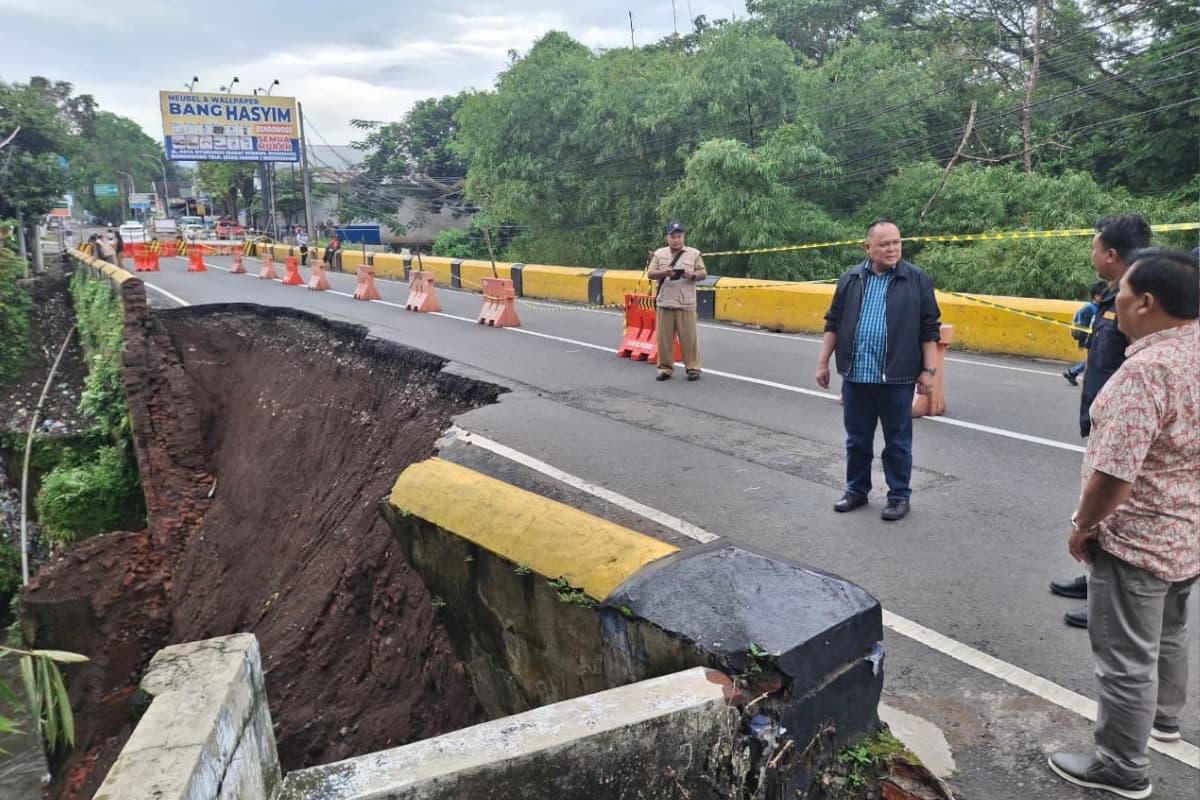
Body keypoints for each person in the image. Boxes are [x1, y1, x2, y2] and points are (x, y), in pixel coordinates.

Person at [1048, 247, 1199, 800]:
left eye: (1124, 295)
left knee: (1124, 660)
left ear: (1147, 303)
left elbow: (1114, 476)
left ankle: (1121, 766)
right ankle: (1163, 720)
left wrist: (1081, 525)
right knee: (1170, 633)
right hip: (1187, 536)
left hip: (1136, 541)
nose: (1117, 305)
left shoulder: (1148, 372)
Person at [1050, 214, 1152, 628]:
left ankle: (1106, 600)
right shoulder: (1114, 298)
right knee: (1102, 507)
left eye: (1094, 248)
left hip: (1123, 427)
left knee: (1114, 506)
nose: (1091, 254)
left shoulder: (1139, 302)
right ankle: (1096, 580)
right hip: (1104, 419)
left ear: (1111, 255)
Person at [816, 219, 941, 521]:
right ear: (868, 247)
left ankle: (899, 496)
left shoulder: (916, 279)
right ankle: (856, 490)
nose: (892, 248)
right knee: (857, 439)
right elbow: (833, 322)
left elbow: (929, 327)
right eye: (884, 244)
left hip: (896, 377)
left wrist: (929, 371)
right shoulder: (851, 279)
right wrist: (823, 362)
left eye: (896, 242)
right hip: (856, 375)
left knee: (897, 441)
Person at [646, 221, 707, 381]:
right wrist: (663, 272)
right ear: (668, 238)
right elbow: (650, 274)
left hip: (685, 303)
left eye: (679, 236)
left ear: (683, 237)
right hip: (665, 303)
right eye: (673, 237)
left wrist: (691, 275)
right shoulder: (659, 254)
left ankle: (693, 368)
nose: (676, 240)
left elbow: (703, 274)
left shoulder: (694, 254)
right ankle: (665, 368)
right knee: (664, 339)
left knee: (689, 339)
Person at [1063, 281, 1109, 386]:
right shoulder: (1090, 309)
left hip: (1096, 338)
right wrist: (1083, 342)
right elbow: (1084, 327)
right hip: (1091, 340)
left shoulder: (1099, 308)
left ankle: (1072, 373)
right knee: (1092, 360)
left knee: (1092, 359)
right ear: (1097, 297)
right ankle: (1073, 373)